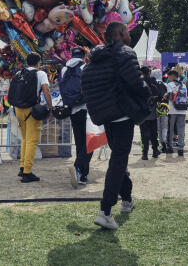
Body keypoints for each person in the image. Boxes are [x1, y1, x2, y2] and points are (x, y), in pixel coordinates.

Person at [81, 21, 151, 230]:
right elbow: (135, 82)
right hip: (122, 114)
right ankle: (105, 210)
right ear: (120, 34)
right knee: (118, 162)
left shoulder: (94, 60)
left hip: (106, 115)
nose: (130, 36)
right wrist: (149, 92)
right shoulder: (124, 52)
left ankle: (127, 199)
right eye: (128, 32)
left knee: (118, 159)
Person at [9, 52, 53, 184]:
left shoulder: (18, 74)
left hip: (19, 109)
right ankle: (27, 172)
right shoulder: (40, 74)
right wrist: (50, 107)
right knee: (32, 141)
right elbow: (46, 90)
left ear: (26, 62)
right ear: (38, 63)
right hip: (32, 110)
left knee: (25, 139)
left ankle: (22, 167)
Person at [60, 47, 92, 186]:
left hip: (72, 109)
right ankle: (79, 168)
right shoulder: (86, 67)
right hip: (86, 109)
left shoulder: (64, 69)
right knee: (90, 142)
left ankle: (81, 174)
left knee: (80, 142)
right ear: (84, 56)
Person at [165, 69, 188, 156]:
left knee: (170, 129)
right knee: (181, 129)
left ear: (172, 76)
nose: (168, 78)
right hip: (183, 109)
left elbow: (170, 97)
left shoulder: (169, 85)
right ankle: (181, 148)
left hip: (172, 110)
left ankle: (170, 147)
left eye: (169, 76)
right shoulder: (183, 85)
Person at [139, 66, 161, 160]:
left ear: (141, 72)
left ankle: (145, 153)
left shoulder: (139, 81)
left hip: (142, 112)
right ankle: (155, 151)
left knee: (144, 134)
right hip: (153, 111)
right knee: (154, 133)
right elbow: (159, 95)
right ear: (149, 72)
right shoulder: (153, 81)